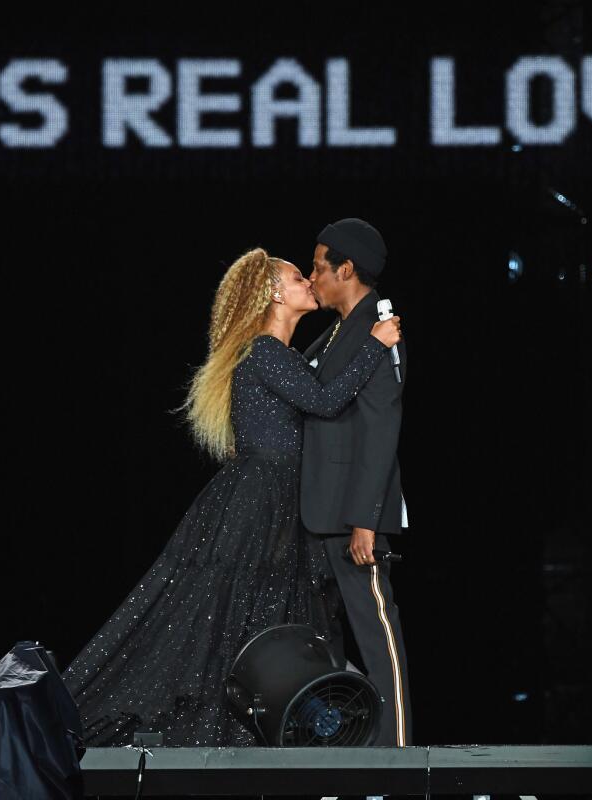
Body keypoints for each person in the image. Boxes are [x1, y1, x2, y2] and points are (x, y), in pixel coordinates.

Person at [60, 247, 401, 746]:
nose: (308, 279)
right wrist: (374, 343)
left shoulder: (281, 354)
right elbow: (326, 402)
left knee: (264, 615)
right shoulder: (265, 351)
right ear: (273, 293)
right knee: (231, 613)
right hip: (260, 499)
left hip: (280, 499)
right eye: (295, 276)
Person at [301, 218, 413, 747]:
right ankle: (347, 746)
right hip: (319, 511)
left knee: (376, 633)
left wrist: (365, 520)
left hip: (353, 517)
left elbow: (379, 428)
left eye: (319, 266)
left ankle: (399, 753)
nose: (312, 275)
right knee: (324, 641)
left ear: (346, 269)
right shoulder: (340, 330)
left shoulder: (379, 326)